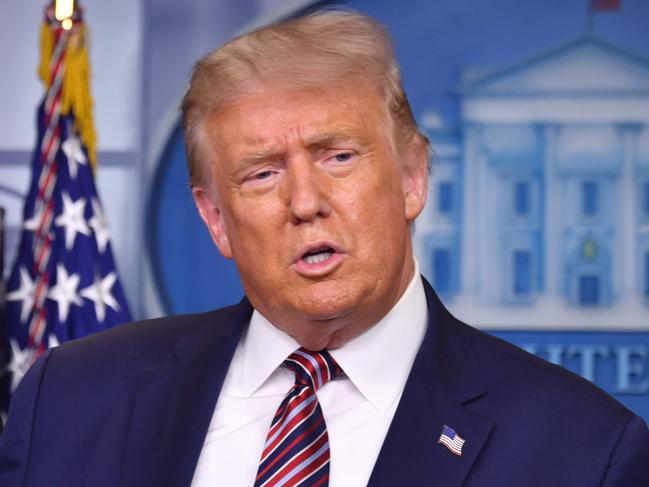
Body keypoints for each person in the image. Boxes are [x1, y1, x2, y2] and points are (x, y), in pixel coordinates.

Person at [1, 9, 648, 487]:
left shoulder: (583, 449)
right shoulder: (74, 395)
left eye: (337, 156)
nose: (304, 200)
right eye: (261, 172)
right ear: (215, 218)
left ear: (412, 177)